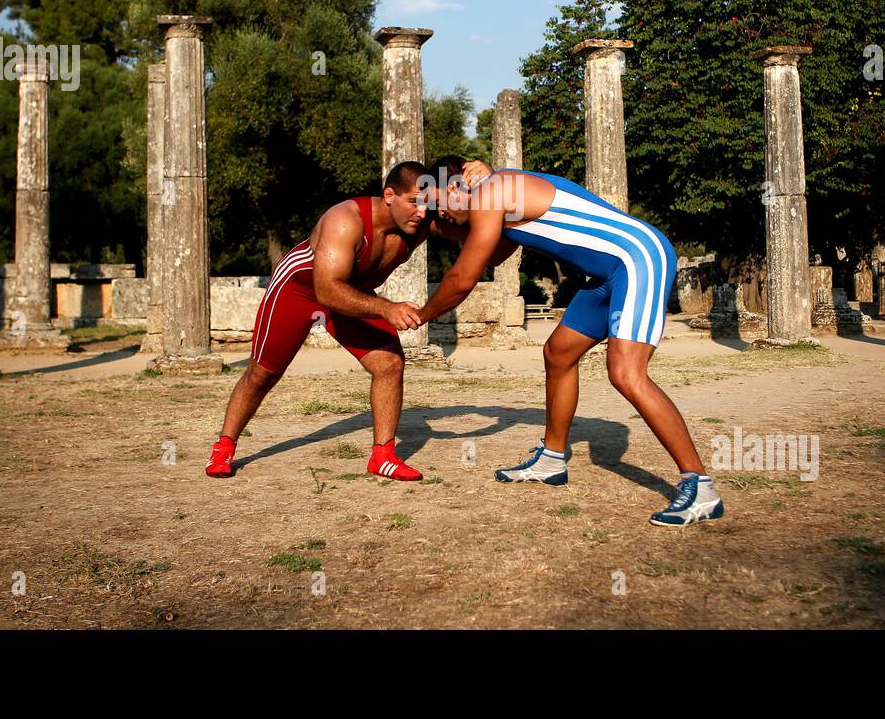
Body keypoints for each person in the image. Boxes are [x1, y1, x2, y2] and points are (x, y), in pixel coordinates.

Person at [417, 157, 723, 527]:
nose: (439, 215)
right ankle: (551, 459)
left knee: (626, 373)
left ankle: (700, 487)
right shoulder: (494, 197)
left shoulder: (490, 192)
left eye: (437, 204)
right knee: (558, 353)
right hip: (607, 274)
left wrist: (420, 316)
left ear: (453, 187)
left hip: (637, 258)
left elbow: (464, 278)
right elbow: (492, 253)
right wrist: (446, 227)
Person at [205, 159, 490, 482]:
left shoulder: (421, 221)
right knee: (262, 374)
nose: (422, 213)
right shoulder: (345, 220)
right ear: (389, 196)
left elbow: (479, 224)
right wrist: (386, 308)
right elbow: (327, 291)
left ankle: (383, 457)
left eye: (426, 204)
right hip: (301, 290)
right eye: (413, 202)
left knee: (389, 363)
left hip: (352, 292)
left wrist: (485, 180)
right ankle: (224, 446)